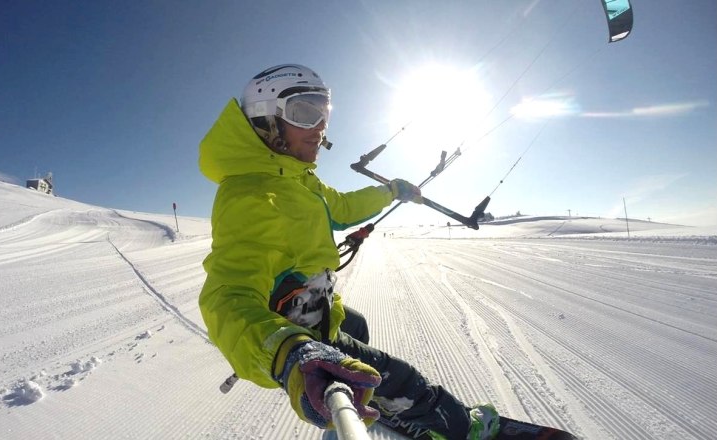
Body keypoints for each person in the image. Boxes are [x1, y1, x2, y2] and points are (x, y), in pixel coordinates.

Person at [198, 64, 499, 440]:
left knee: (355, 324)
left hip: (320, 311)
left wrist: (390, 191)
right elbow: (228, 296)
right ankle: (458, 427)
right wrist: (288, 353)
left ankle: (371, 396)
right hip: (301, 329)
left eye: (324, 114)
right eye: (304, 113)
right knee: (403, 378)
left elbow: (340, 208)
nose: (319, 127)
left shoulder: (294, 176)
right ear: (266, 120)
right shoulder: (252, 194)